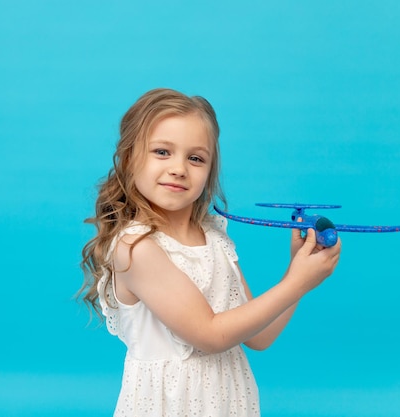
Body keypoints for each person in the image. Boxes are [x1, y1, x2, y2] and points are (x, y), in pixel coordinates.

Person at [78, 88, 342, 416]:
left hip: (226, 401)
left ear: (210, 170)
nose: (179, 168)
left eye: (196, 158)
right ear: (130, 158)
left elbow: (259, 336)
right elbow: (210, 334)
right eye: (162, 151)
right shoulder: (137, 248)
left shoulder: (214, 236)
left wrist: (296, 272)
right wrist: (298, 283)